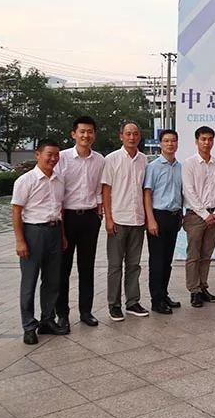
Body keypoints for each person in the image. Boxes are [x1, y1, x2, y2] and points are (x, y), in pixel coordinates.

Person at [12, 139, 68, 344]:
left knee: (52, 281)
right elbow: (16, 211)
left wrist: (62, 236)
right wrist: (20, 241)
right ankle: (28, 326)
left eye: (56, 155)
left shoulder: (59, 180)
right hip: (33, 233)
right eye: (49, 154)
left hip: (55, 232)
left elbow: (60, 209)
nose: (53, 159)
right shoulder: (25, 180)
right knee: (29, 282)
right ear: (38, 155)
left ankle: (47, 320)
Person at [55, 115, 105, 329]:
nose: (86, 135)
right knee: (63, 268)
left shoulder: (99, 160)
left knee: (87, 267)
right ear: (73, 134)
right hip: (67, 218)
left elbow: (100, 188)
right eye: (82, 131)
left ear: (94, 134)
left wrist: (99, 211)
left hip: (90, 218)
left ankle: (86, 311)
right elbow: (56, 191)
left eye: (90, 131)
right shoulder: (62, 158)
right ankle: (62, 314)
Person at [102, 121, 149, 321]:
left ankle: (132, 302)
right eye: (128, 133)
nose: (132, 137)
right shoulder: (111, 159)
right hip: (118, 220)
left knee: (134, 264)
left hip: (137, 220)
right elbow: (106, 190)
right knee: (115, 265)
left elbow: (145, 190)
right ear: (121, 136)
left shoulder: (144, 160)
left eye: (135, 134)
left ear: (139, 136)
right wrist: (108, 218)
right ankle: (114, 304)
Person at [181, 126, 215, 308]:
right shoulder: (189, 164)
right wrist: (205, 214)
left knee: (206, 255)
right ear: (197, 141)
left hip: (213, 216)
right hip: (195, 216)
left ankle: (203, 286)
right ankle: (194, 291)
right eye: (203, 139)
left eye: (210, 139)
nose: (207, 143)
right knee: (194, 255)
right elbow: (189, 191)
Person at [143, 130, 183, 315]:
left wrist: (181, 215)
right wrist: (150, 219)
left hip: (174, 217)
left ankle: (164, 294)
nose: (170, 144)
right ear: (160, 144)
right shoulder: (153, 167)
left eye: (173, 141)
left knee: (167, 260)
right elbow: (147, 194)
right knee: (157, 261)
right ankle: (156, 300)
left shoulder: (180, 167)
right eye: (166, 141)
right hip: (158, 217)